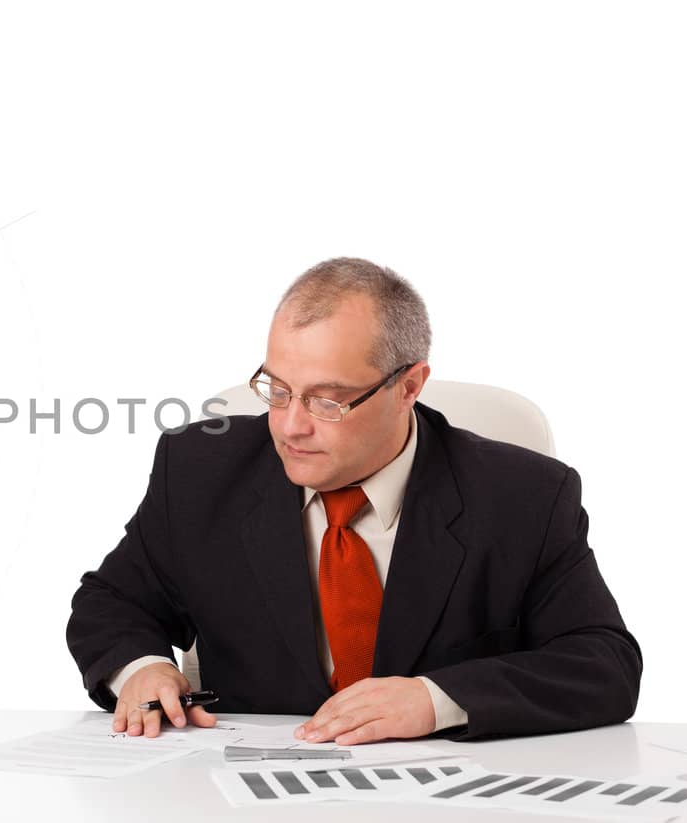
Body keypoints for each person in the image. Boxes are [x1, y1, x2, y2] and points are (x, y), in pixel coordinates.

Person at [66, 257, 641, 745]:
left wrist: (436, 700)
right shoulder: (198, 472)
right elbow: (111, 603)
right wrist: (142, 670)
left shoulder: (524, 496)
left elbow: (603, 662)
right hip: (247, 794)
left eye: (327, 400)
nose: (290, 427)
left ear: (409, 387)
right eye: (277, 390)